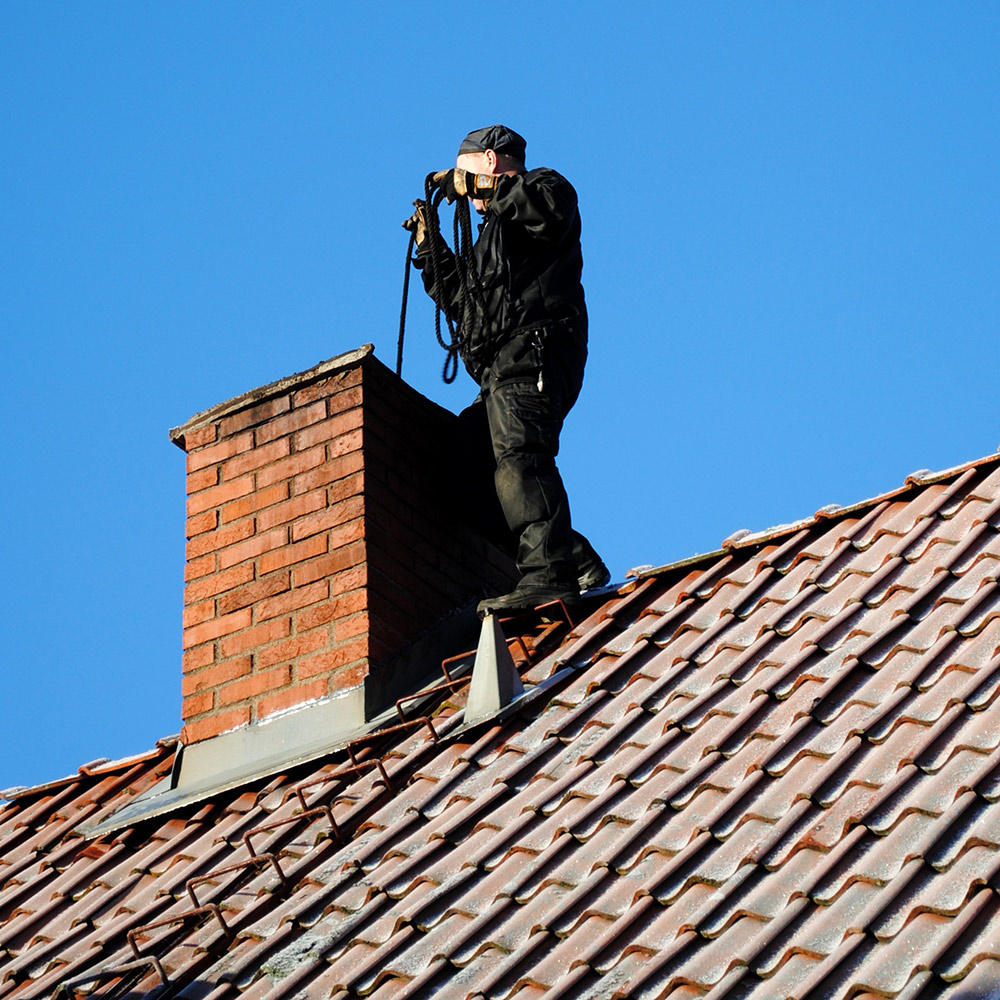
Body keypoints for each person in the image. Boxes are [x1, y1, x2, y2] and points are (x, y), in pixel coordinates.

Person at [405, 124, 608, 614]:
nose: (465, 195)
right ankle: (570, 557)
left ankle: (547, 576)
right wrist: (432, 248)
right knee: (463, 474)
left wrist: (471, 186)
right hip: (498, 368)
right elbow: (466, 303)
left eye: (466, 174)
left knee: (520, 457)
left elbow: (536, 209)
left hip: (535, 350)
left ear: (490, 162)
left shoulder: (547, 188)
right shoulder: (490, 237)